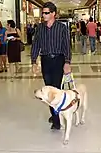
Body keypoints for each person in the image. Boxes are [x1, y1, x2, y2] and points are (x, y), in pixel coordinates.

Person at [31, 2, 71, 130]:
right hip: (46, 61)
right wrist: (33, 62)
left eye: (46, 13)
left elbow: (67, 46)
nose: (44, 15)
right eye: (43, 13)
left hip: (58, 60)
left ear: (53, 13)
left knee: (56, 89)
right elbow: (36, 45)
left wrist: (67, 62)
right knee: (48, 89)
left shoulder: (61, 28)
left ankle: (56, 120)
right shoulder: (40, 28)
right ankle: (55, 115)